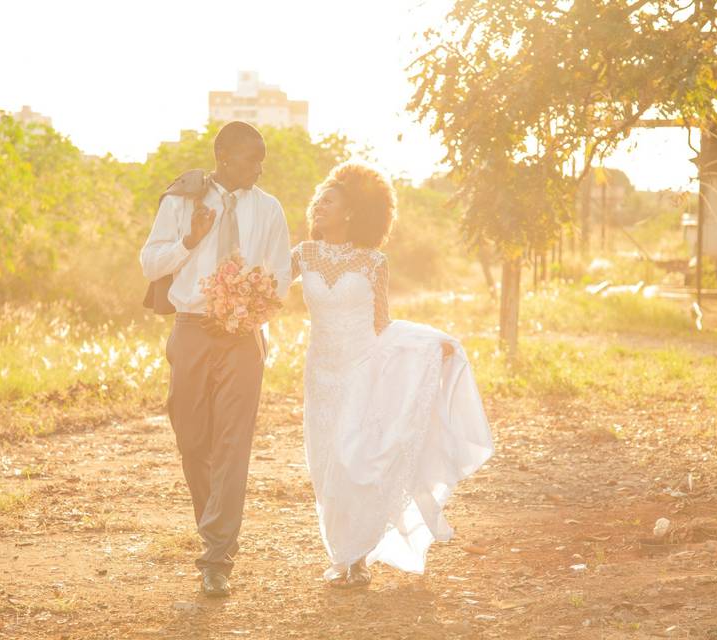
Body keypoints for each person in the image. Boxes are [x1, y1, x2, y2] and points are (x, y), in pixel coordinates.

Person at [290, 162, 494, 588]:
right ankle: (341, 552)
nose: (320, 205)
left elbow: (382, 324)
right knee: (327, 463)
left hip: (361, 369)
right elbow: (267, 288)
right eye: (320, 199)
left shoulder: (372, 263)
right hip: (319, 374)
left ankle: (357, 556)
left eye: (331, 200)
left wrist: (424, 348)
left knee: (357, 462)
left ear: (351, 213)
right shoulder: (303, 255)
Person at [139, 121, 291, 597]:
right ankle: (213, 527)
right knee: (193, 438)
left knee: (233, 444)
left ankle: (217, 554)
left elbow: (281, 272)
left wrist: (254, 303)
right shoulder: (182, 201)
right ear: (224, 156)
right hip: (190, 332)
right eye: (252, 158)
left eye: (262, 158)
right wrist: (191, 239)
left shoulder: (269, 209)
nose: (260, 168)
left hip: (243, 338)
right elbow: (149, 262)